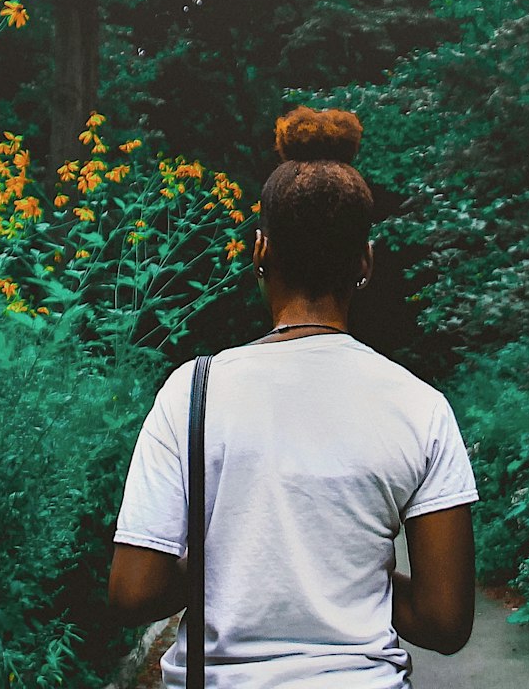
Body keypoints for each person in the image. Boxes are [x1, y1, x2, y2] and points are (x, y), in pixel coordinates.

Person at [109, 106, 477, 687]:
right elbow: (444, 620)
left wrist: (235, 560)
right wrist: (353, 575)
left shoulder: (192, 391)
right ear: (365, 262)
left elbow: (133, 591)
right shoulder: (420, 407)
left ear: (260, 251)